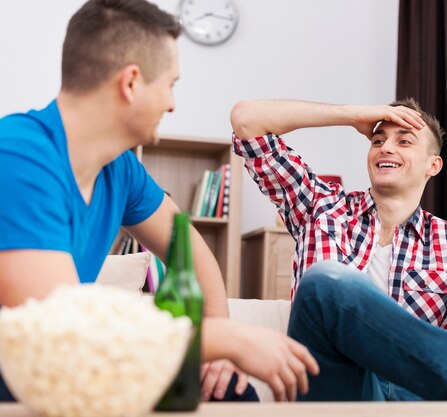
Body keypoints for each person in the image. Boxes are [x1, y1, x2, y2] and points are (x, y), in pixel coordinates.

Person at [0, 0, 317, 403]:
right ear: (131, 83)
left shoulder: (120, 169)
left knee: (228, 391)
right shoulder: (17, 157)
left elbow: (191, 249)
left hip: (58, 361)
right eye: (170, 84)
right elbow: (57, 331)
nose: (172, 103)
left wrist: (216, 348)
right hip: (27, 364)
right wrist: (221, 337)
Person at [230, 98, 447, 401]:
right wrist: (352, 115)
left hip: (412, 398)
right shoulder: (319, 207)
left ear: (433, 165)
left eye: (404, 141)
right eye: (378, 140)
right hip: (336, 392)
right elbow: (246, 120)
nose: (386, 147)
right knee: (323, 283)